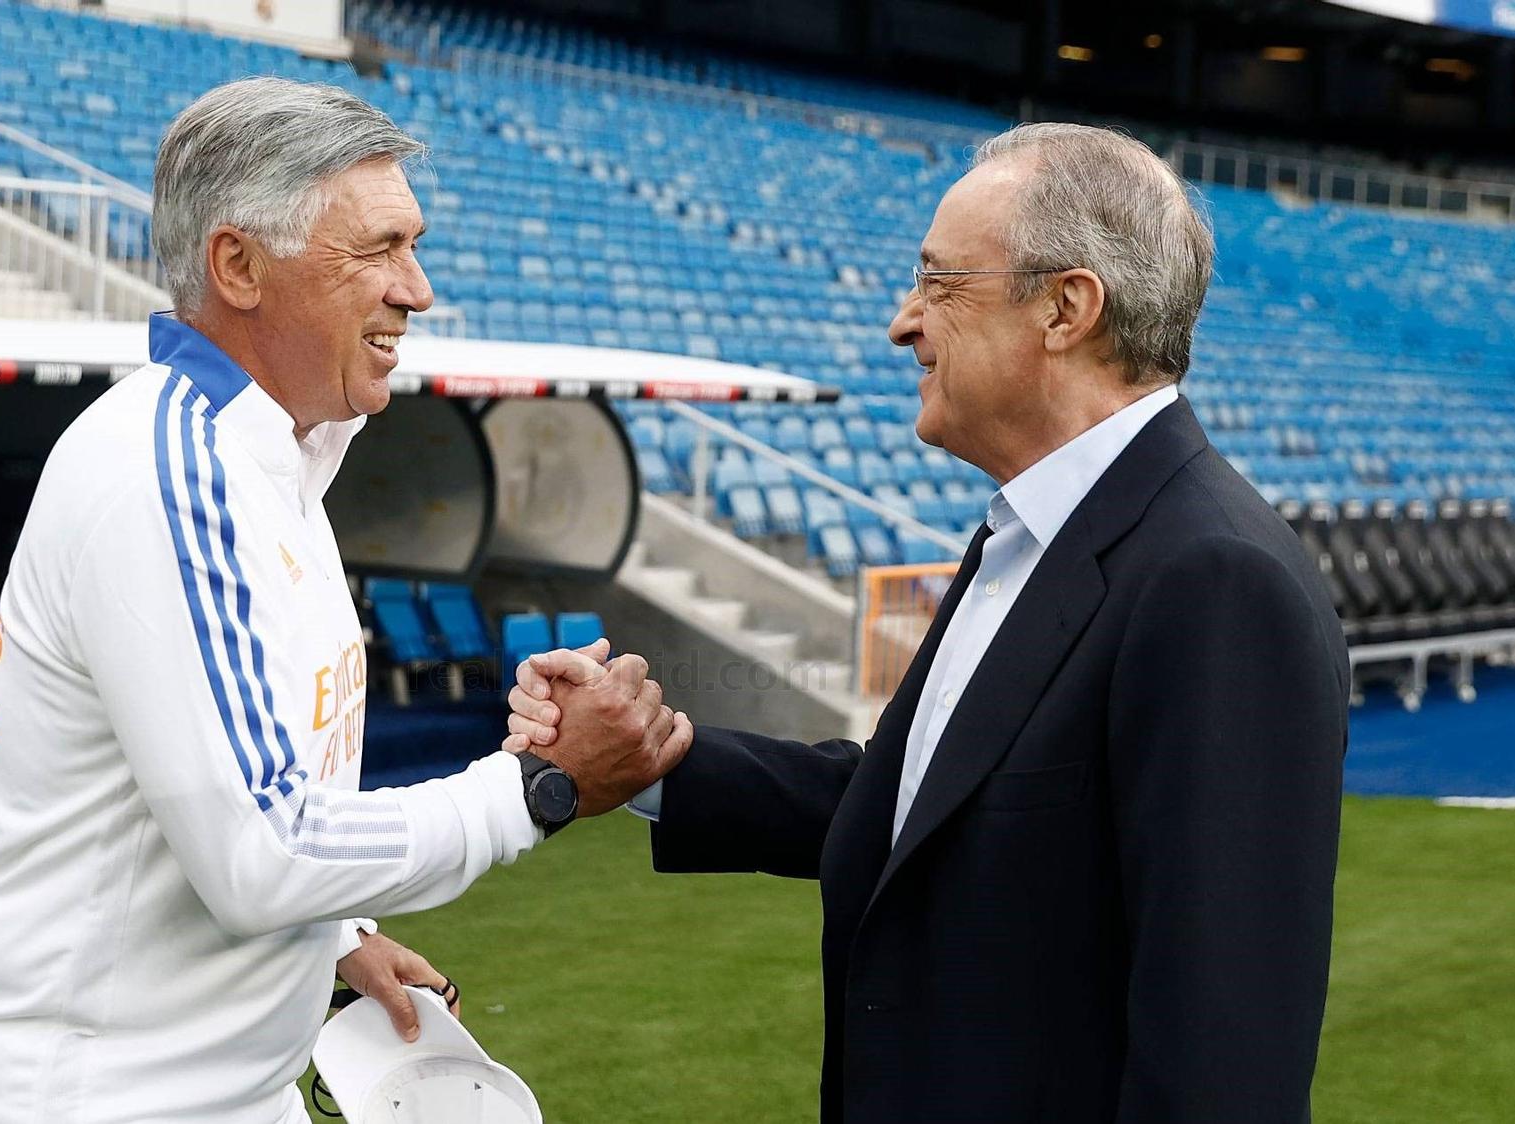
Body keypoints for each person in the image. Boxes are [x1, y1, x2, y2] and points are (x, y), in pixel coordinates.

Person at [507, 123, 1349, 1122]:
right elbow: (914, 803)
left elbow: (1221, 1061)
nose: (902, 322)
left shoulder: (1211, 578)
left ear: (1065, 307)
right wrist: (654, 760)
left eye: (938, 284)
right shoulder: (1037, 530)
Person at [0, 77, 686, 1124]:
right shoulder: (168, 472)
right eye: (376, 248)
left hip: (222, 1090)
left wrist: (341, 937)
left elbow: (235, 784)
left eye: (411, 245)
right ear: (238, 264)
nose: (415, 288)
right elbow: (262, 849)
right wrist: (536, 786)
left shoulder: (274, 464)